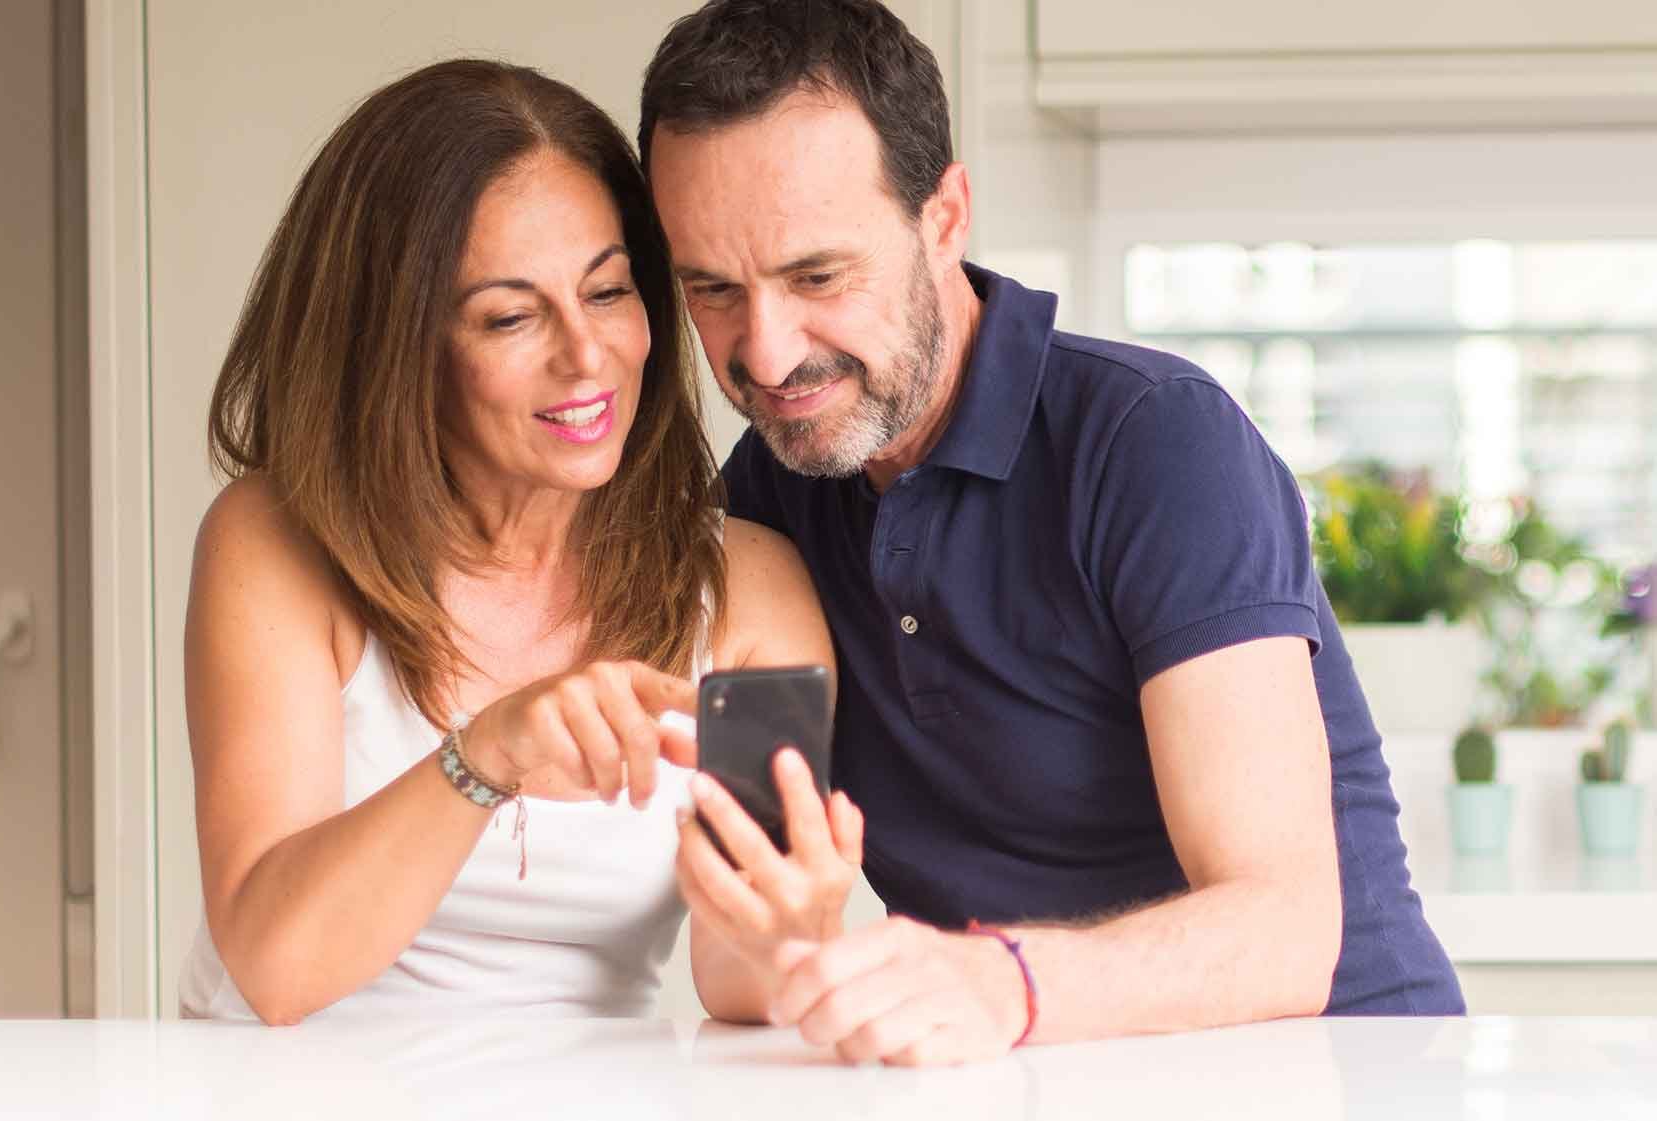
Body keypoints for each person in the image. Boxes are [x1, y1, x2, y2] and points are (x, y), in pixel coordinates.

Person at [638, 0, 1466, 1065]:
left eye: (816, 276)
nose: (762, 354)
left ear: (944, 219)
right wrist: (779, 914)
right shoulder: (767, 491)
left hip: (1342, 1071)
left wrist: (995, 979)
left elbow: (1284, 930)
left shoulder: (1152, 441)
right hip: (1046, 1077)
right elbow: (746, 960)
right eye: (712, 288)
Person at [178, 58, 855, 1024]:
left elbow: (740, 984)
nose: (586, 357)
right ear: (393, 348)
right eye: (508, 315)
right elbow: (273, 967)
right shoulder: (276, 543)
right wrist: (485, 755)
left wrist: (797, 922)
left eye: (609, 292)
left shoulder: (750, 594)